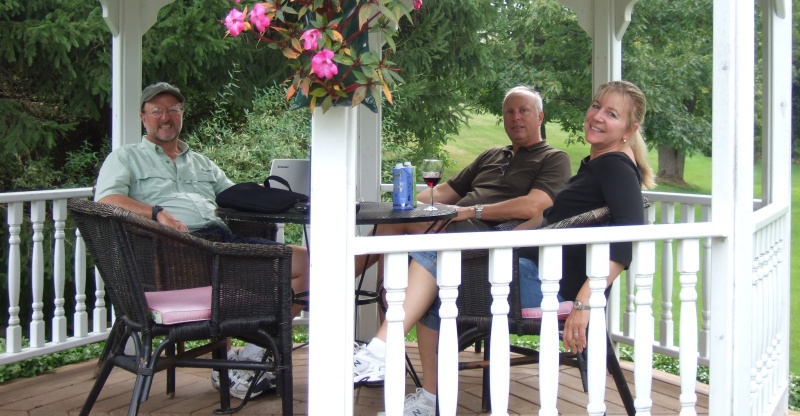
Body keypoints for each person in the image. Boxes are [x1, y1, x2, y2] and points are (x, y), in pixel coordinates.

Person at [354, 80, 654, 416]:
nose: (597, 116)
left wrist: (585, 302)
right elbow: (543, 220)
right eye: (597, 106)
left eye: (611, 114)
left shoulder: (614, 166)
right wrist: (501, 242)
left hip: (550, 286)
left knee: (436, 257)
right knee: (434, 279)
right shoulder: (601, 163)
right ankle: (426, 395)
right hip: (530, 269)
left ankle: (383, 352)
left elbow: (627, 239)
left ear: (630, 128)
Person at [353, 86, 572, 405]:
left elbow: (535, 206)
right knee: (396, 220)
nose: (516, 117)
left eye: (524, 110)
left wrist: (474, 211)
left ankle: (370, 326)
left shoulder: (553, 158)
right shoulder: (492, 155)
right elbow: (445, 192)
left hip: (488, 238)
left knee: (414, 235)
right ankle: (365, 306)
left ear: (540, 116)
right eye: (509, 112)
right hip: (456, 226)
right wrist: (406, 202)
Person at [95, 82, 310, 400]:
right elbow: (106, 200)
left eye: (173, 110)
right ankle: (247, 362)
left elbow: (233, 196)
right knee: (295, 269)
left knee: (308, 262)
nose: (165, 117)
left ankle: (250, 356)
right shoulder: (126, 157)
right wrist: (155, 213)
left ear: (182, 115)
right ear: (143, 117)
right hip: (178, 253)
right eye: (157, 111)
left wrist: (287, 200)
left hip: (222, 244)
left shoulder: (201, 162)